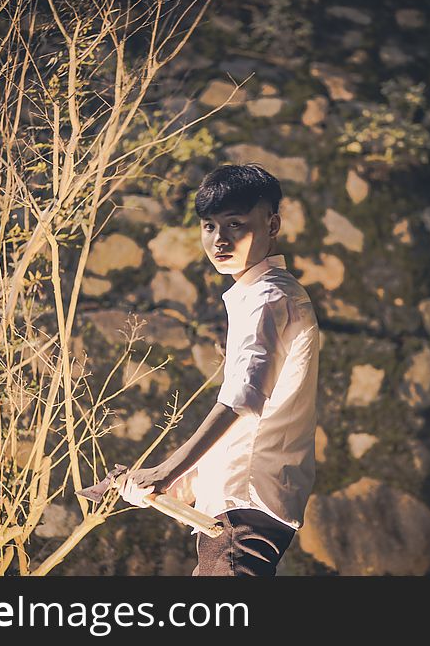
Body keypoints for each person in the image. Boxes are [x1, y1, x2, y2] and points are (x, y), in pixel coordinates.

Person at [119, 164, 320, 576]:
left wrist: (165, 470)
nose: (219, 239)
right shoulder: (258, 296)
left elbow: (240, 403)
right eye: (209, 226)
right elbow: (248, 421)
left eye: (235, 224)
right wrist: (187, 482)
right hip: (236, 512)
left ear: (273, 224)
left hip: (243, 513)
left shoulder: (269, 298)